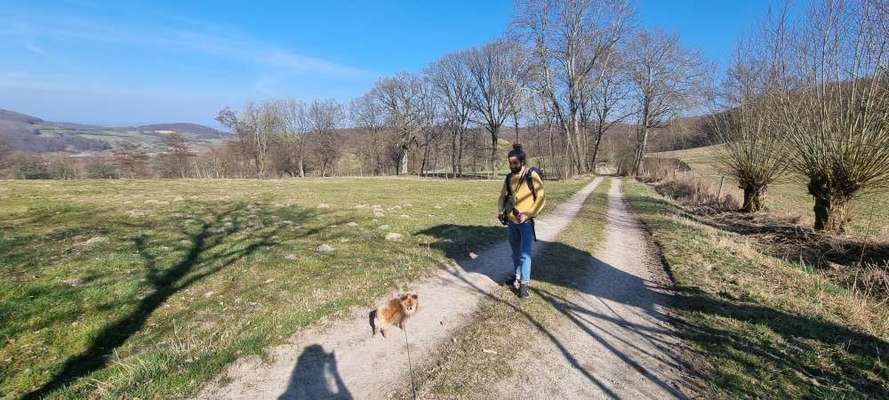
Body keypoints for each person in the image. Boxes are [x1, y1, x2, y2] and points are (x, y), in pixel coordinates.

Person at [497, 143, 545, 299]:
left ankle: (524, 285)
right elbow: (502, 196)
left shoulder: (531, 175)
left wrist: (529, 214)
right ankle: (517, 276)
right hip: (512, 222)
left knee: (525, 255)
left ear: (522, 162)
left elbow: (541, 198)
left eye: (515, 163)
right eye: (510, 162)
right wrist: (500, 210)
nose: (512, 165)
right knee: (515, 253)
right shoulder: (509, 177)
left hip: (525, 223)